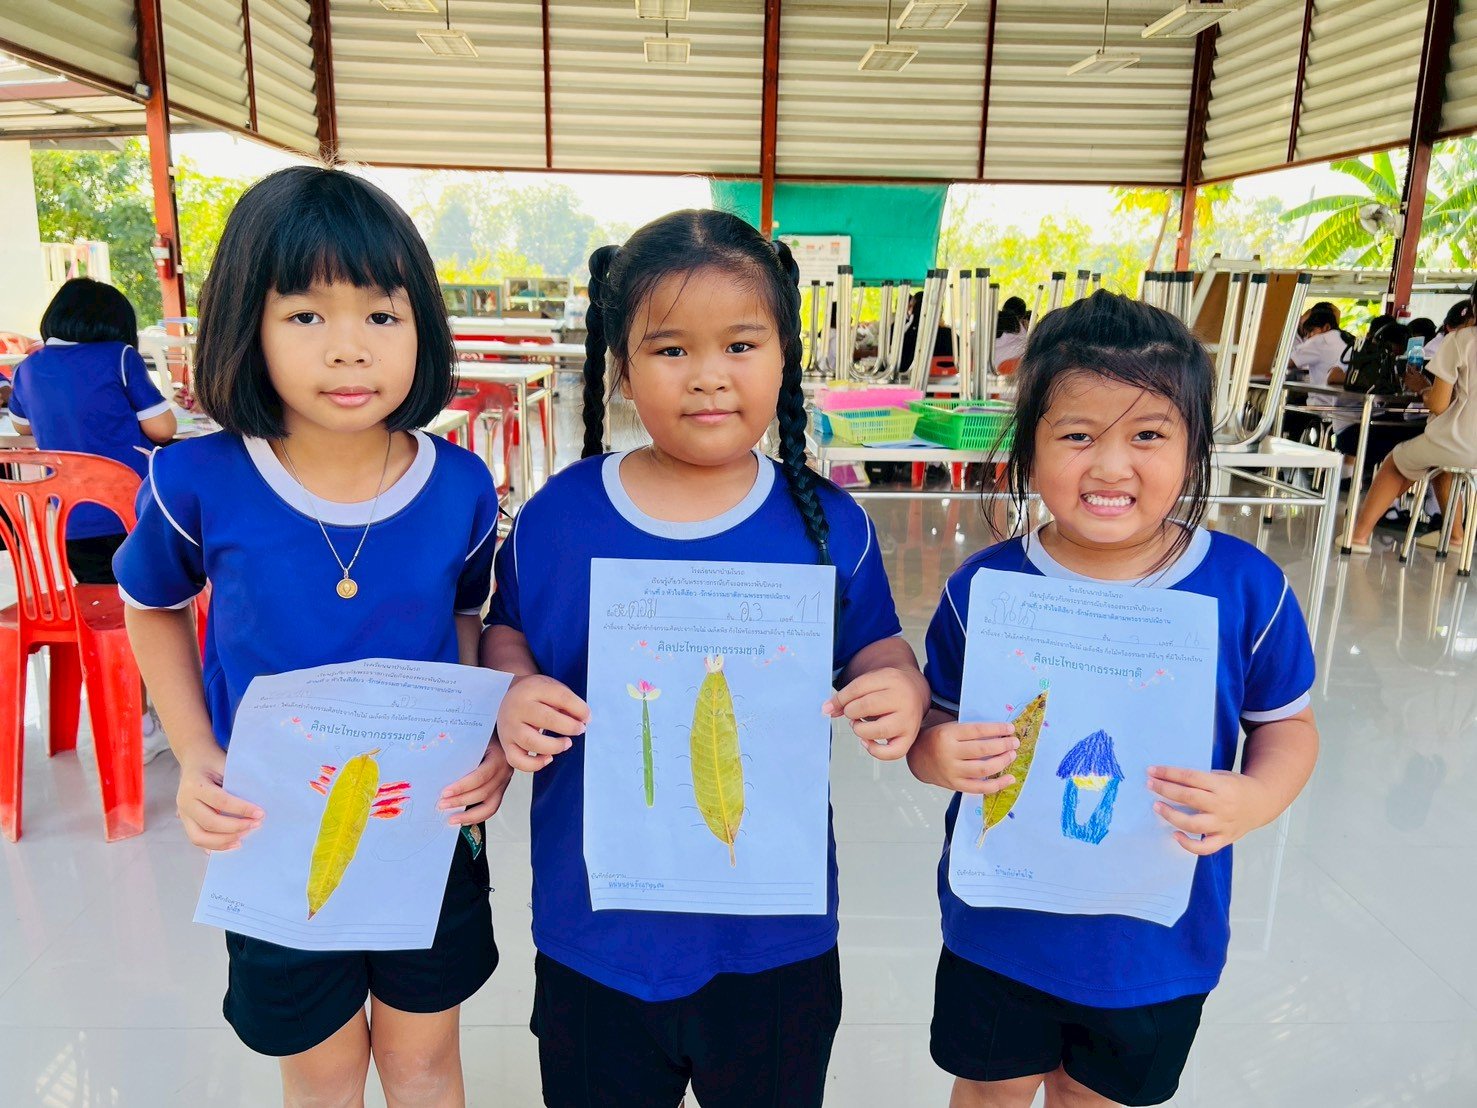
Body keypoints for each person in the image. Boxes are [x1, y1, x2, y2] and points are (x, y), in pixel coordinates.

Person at [483, 209, 931, 1108]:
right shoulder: (559, 516)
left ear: (783, 355)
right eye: (669, 349)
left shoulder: (825, 523)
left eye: (740, 344)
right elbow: (509, 631)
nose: (708, 375)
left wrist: (900, 687)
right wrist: (512, 689)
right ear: (620, 366)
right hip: (597, 927)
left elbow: (873, 643)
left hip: (772, 935)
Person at [114, 166, 506, 1105]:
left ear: (423, 328)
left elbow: (464, 615)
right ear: (244, 325)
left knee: (423, 1061)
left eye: (381, 315)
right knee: (324, 1074)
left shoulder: (459, 486)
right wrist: (196, 753)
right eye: (304, 315)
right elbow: (151, 604)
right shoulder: (196, 482)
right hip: (274, 827)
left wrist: (478, 742)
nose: (348, 349)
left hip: (424, 821)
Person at [909, 291, 1320, 1107]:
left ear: (1192, 448)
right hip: (1002, 925)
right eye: (1075, 435)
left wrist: (1256, 797)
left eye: (1147, 436)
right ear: (1027, 448)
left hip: (1154, 937)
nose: (1108, 466)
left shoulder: (1245, 588)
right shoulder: (984, 587)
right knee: (989, 1091)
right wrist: (932, 753)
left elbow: (1287, 725)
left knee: (1094, 1098)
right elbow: (938, 720)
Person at [9, 278, 178, 760]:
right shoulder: (119, 358)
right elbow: (163, 427)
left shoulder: (29, 367)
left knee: (114, 610)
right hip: (131, 518)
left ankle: (134, 718)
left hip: (68, 528)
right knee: (155, 605)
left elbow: (22, 426)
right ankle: (152, 717)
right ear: (114, 323)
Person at [1348, 281, 1477, 553]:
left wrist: (1423, 388)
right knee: (1441, 464)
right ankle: (1455, 537)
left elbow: (1438, 405)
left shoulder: (1461, 340)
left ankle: (1357, 538)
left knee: (1396, 462)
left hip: (1461, 442)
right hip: (1460, 449)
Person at [898, 288, 954, 374]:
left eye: (910, 306)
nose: (908, 310)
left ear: (916, 310)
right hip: (950, 379)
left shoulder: (911, 336)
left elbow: (901, 366)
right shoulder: (951, 335)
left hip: (917, 379)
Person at [993, 295, 1030, 372]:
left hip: (990, 365)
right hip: (1011, 368)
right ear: (1022, 316)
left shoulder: (991, 320)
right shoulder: (1019, 327)